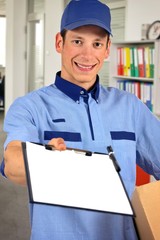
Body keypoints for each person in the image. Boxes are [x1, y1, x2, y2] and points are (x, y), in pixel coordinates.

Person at [1, 0, 160, 239]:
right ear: (59, 43)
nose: (87, 55)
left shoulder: (130, 107)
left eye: (96, 44)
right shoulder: (30, 107)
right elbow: (12, 164)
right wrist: (46, 160)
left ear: (107, 50)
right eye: (77, 41)